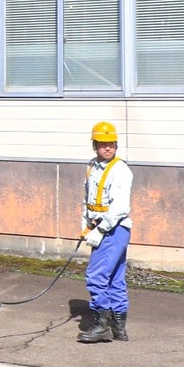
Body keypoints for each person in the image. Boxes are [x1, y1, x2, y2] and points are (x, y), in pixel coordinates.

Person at [78, 121, 133, 343]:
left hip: (114, 228)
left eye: (111, 144)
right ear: (95, 145)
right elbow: (88, 198)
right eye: (103, 144)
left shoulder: (120, 170)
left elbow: (120, 208)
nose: (108, 148)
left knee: (96, 276)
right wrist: (86, 223)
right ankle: (119, 328)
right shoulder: (92, 167)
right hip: (100, 226)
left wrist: (100, 230)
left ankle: (101, 326)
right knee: (115, 279)